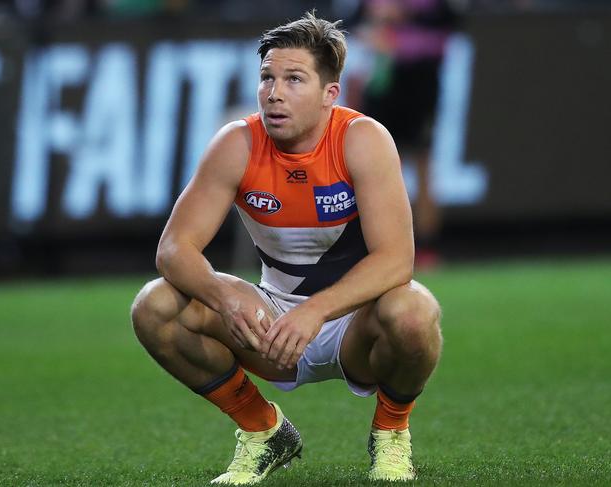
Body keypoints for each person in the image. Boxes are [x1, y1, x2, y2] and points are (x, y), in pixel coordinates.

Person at [131, 11, 442, 485]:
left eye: (294, 79)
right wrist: (222, 294)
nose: (273, 93)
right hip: (270, 321)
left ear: (329, 94)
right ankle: (263, 431)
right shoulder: (237, 142)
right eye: (266, 77)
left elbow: (396, 260)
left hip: (353, 323)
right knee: (154, 306)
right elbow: (174, 248)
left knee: (415, 312)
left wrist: (316, 311)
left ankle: (391, 432)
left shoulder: (362, 139)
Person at [356, 0, 457, 267]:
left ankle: (426, 247)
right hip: (381, 90)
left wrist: (400, 38)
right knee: (375, 171)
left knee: (423, 167)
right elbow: (353, 28)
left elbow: (446, 37)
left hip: (420, 90)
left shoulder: (437, 7)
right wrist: (375, 31)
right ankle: (377, 248)